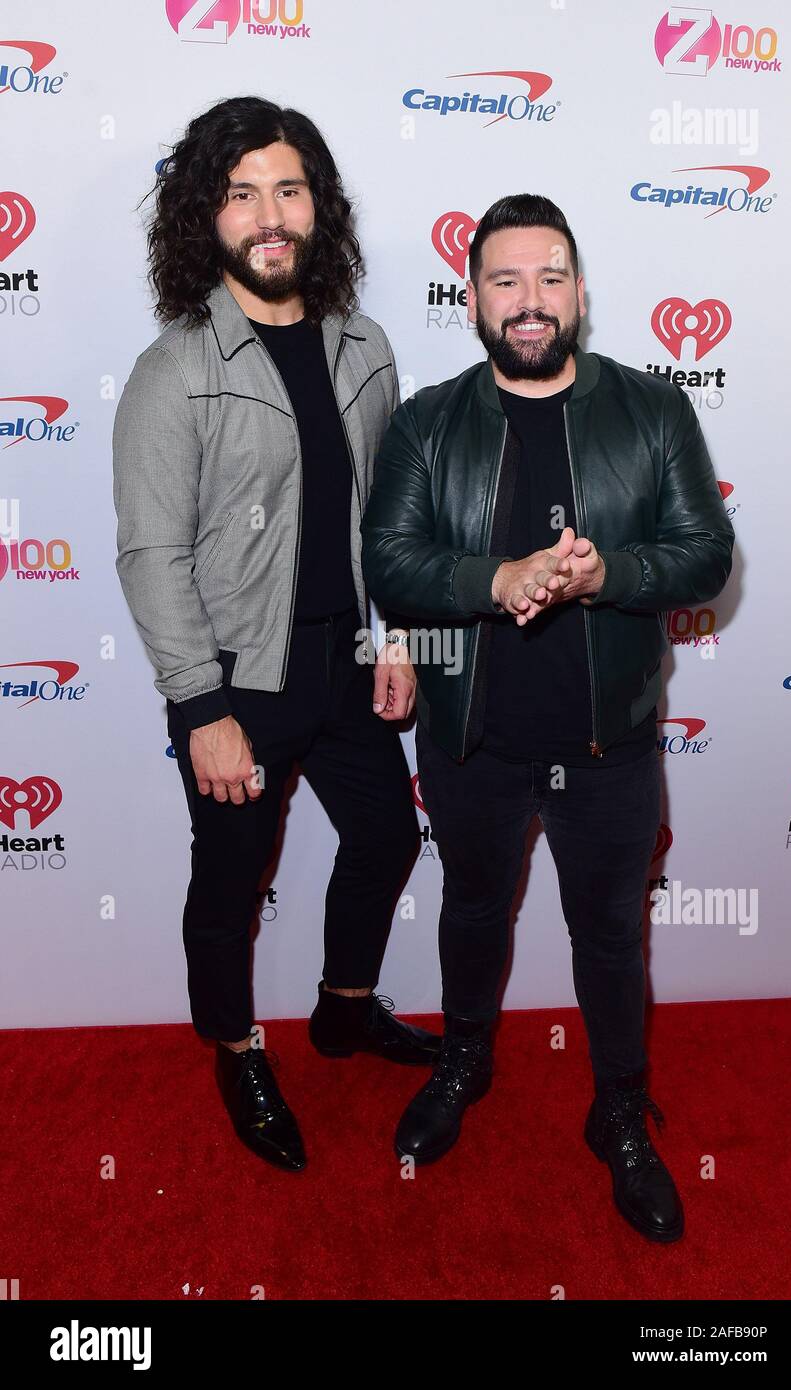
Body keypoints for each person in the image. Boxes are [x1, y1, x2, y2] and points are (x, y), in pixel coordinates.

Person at [361, 193, 734, 1241]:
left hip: (606, 743)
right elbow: (390, 560)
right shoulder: (429, 421)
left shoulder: (651, 410)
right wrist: (502, 576)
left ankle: (617, 1109)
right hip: (473, 740)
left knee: (611, 937)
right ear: (472, 296)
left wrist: (605, 570)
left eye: (550, 277)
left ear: (578, 289)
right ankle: (465, 1061)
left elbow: (704, 552)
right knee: (472, 913)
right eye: (506, 280)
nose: (530, 302)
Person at [112, 96, 439, 1174]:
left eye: (288, 188)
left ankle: (343, 1009)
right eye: (241, 191)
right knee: (231, 880)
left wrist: (396, 634)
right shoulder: (177, 369)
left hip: (346, 662)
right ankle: (238, 1047)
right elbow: (153, 554)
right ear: (206, 216)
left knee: (389, 837)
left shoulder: (365, 346)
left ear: (317, 208)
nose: (269, 213)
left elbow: (388, 514)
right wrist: (199, 706)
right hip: (238, 681)